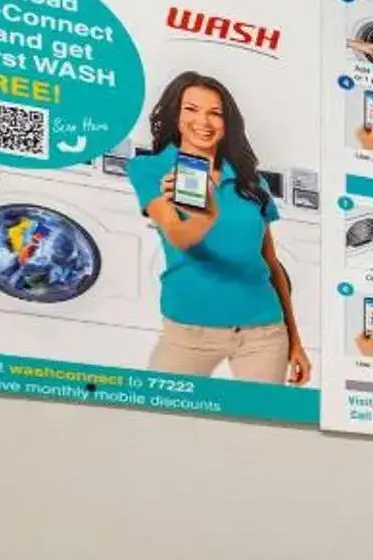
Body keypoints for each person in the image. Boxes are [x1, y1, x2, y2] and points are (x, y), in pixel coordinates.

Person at [129, 72, 310, 386]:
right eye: (191, 109)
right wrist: (205, 216)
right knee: (159, 420)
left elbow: (271, 265)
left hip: (263, 332)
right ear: (175, 114)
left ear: (228, 123)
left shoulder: (250, 181)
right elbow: (177, 235)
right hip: (188, 329)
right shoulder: (151, 168)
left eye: (216, 113)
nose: (204, 121)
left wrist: (295, 340)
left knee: (259, 430)